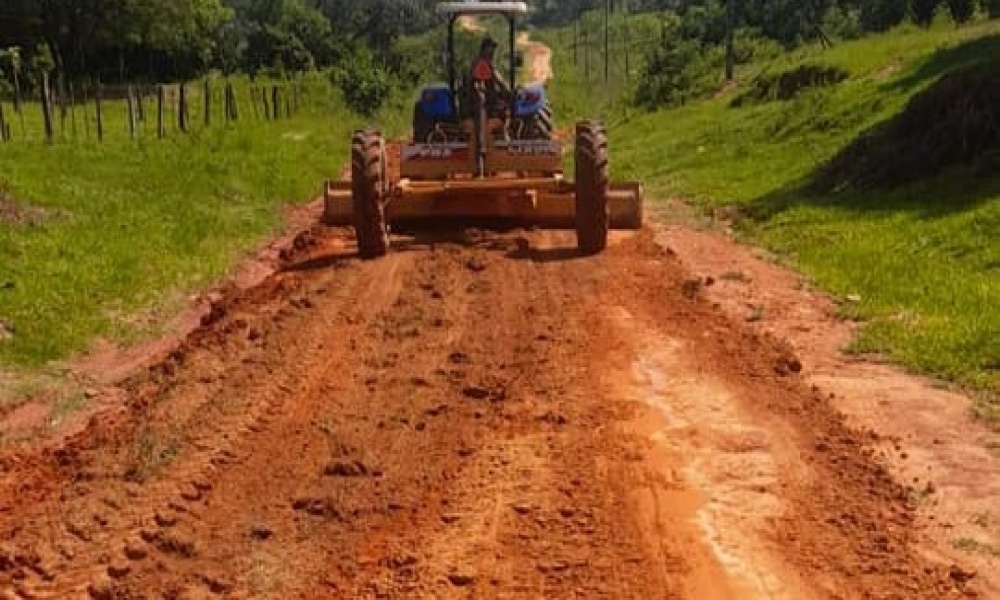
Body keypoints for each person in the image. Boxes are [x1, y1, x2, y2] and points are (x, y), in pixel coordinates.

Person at [470, 36, 512, 111]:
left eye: (493, 48)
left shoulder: (484, 62)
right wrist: (507, 90)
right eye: (490, 47)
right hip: (486, 96)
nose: (493, 50)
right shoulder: (481, 62)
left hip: (486, 94)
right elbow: (497, 78)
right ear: (484, 48)